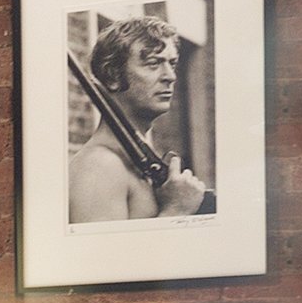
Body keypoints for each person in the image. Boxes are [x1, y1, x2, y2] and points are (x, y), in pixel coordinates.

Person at [66, 16, 212, 223]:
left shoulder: (137, 159)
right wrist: (176, 211)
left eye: (172, 64)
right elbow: (99, 255)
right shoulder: (99, 166)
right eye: (154, 64)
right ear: (113, 75)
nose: (170, 76)